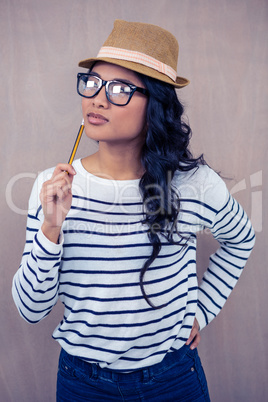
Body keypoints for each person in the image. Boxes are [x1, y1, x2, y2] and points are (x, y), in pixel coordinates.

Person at [12, 20, 255, 401]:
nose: (98, 98)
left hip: (173, 380)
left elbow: (241, 241)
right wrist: (51, 228)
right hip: (83, 384)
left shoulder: (194, 184)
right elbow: (30, 309)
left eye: (121, 89)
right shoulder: (53, 189)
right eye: (92, 83)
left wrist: (201, 312)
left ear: (156, 104)